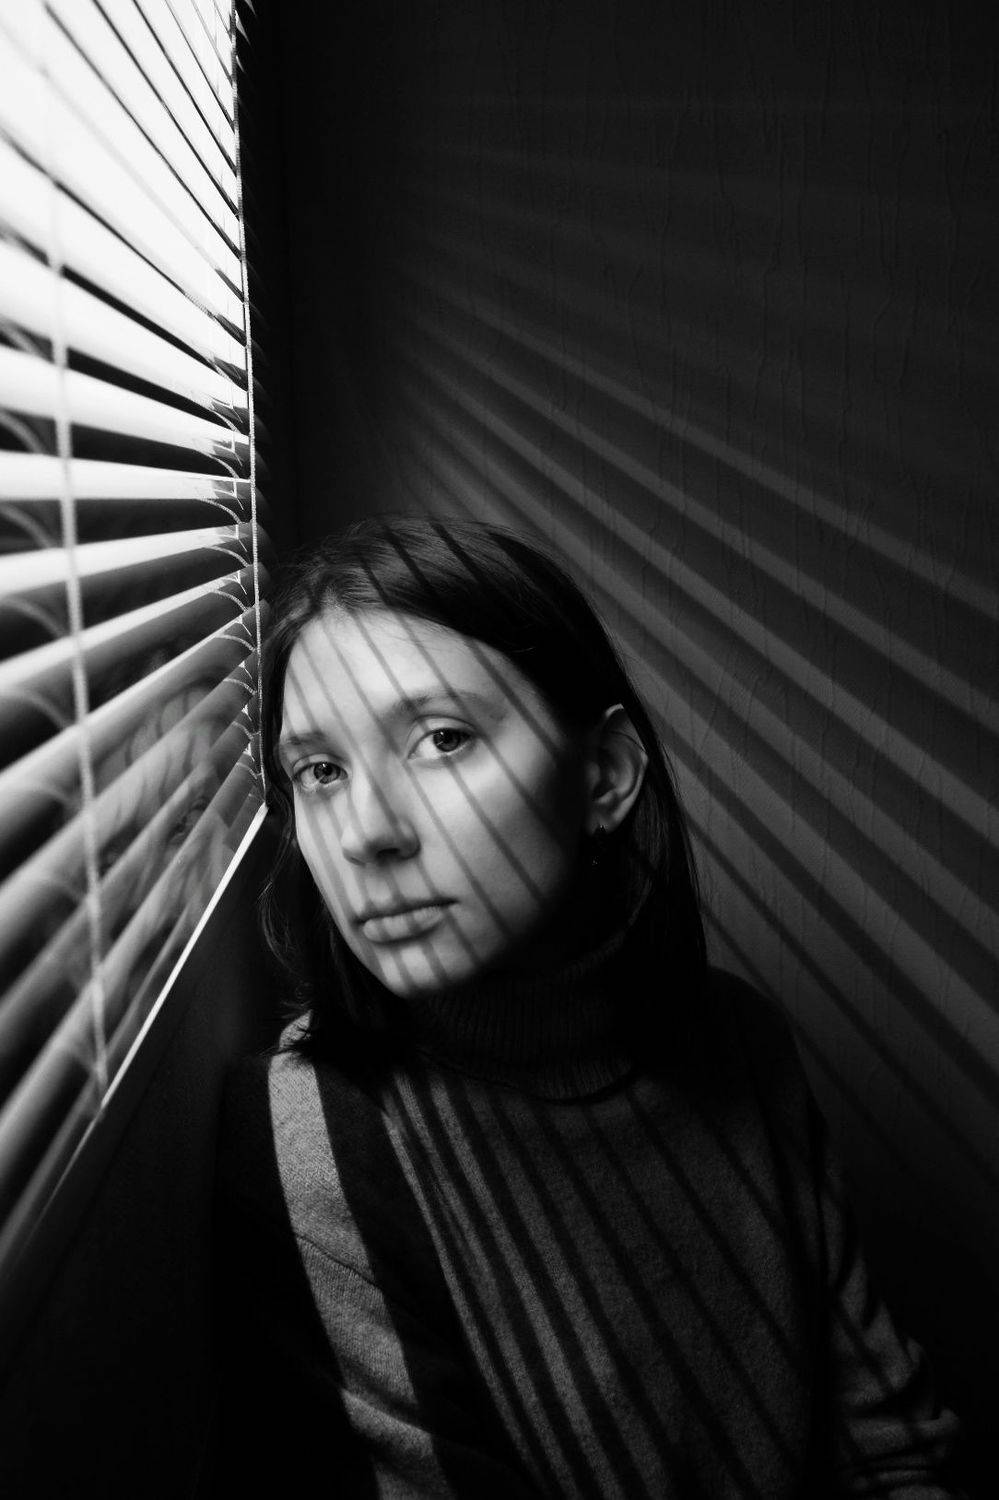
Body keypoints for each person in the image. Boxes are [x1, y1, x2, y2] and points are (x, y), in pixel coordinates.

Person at [215, 515, 966, 1497]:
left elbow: (891, 1451)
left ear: (603, 775)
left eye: (441, 739)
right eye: (320, 770)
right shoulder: (321, 1139)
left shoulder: (739, 1046)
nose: (366, 833)